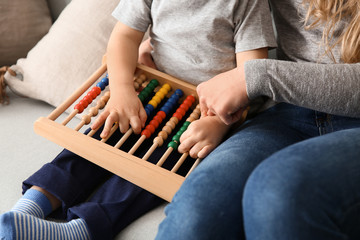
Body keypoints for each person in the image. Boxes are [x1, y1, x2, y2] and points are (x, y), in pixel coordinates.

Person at [0, 0, 276, 239]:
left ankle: (80, 229)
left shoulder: (248, 3)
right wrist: (121, 90)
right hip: (151, 92)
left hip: (206, 112)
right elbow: (124, 38)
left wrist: (220, 123)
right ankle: (28, 207)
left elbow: (249, 74)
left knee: (148, 174)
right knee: (94, 143)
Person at [152, 0, 360, 239]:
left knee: (279, 188)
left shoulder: (263, 77)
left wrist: (258, 76)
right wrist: (164, 44)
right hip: (285, 112)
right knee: (195, 212)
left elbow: (255, 75)